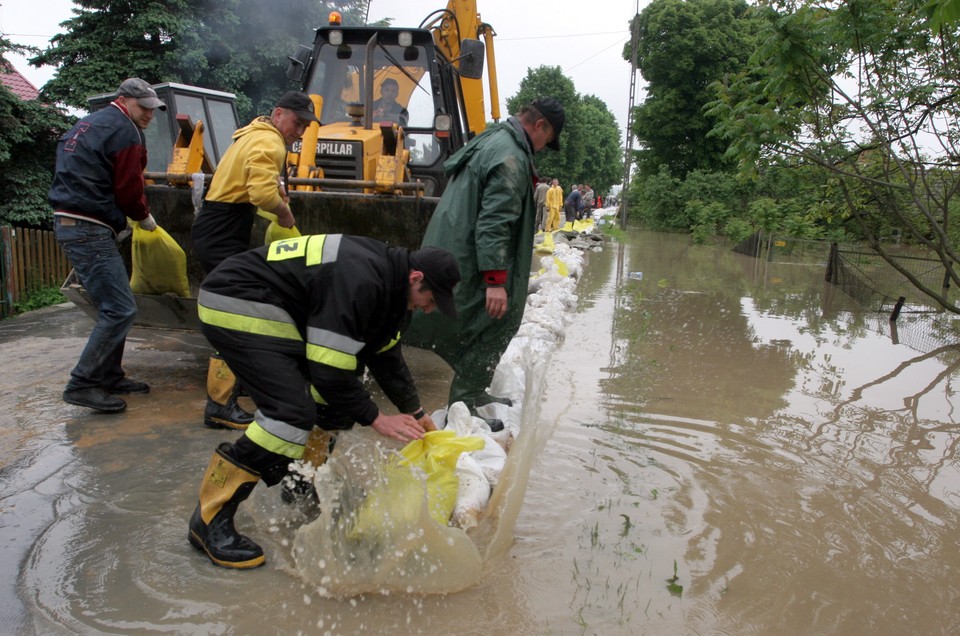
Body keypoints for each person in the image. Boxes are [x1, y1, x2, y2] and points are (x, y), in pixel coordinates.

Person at [187, 234, 460, 569]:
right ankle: (210, 516)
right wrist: (376, 418)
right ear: (416, 278)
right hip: (237, 300)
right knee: (288, 416)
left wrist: (416, 412)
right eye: (430, 300)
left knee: (330, 405)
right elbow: (329, 371)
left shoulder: (390, 288)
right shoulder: (362, 279)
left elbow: (386, 356)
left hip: (274, 306)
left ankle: (299, 480)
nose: (428, 309)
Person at [404, 98, 565, 429]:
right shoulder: (511, 156)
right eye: (546, 141)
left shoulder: (493, 139)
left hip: (455, 249)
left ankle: (473, 391)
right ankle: (465, 399)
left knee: (471, 322)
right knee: (500, 318)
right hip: (471, 257)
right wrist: (495, 281)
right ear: (539, 126)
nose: (543, 148)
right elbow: (495, 223)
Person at [191, 91, 319, 430]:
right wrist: (285, 214)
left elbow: (254, 188)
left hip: (216, 228)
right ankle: (219, 405)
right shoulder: (271, 143)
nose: (301, 132)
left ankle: (239, 382)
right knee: (240, 319)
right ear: (279, 114)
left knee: (247, 312)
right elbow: (261, 195)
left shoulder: (250, 134)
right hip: (222, 233)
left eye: (306, 126)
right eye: (297, 122)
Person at [49, 77, 166, 413]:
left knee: (113, 306)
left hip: (72, 220)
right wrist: (142, 217)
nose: (149, 115)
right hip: (89, 227)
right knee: (120, 308)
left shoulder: (87, 124)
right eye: (143, 107)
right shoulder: (126, 132)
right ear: (125, 100)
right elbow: (130, 189)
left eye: (153, 109)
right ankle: (83, 383)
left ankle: (110, 374)